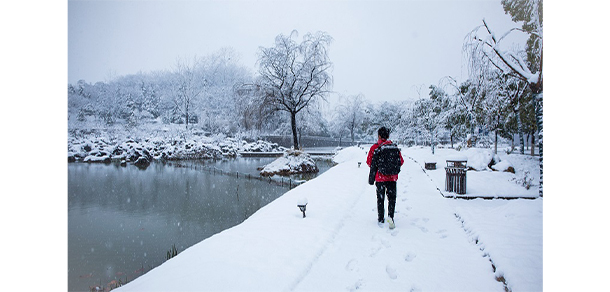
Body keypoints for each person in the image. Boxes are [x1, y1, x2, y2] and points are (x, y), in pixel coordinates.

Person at [366, 127, 404, 229]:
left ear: (379, 136)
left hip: (380, 178)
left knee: (380, 198)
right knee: (392, 199)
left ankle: (380, 219)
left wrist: (380, 167)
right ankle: (391, 217)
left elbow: (369, 162)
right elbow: (401, 161)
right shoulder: (393, 147)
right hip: (392, 178)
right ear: (388, 136)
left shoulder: (375, 148)